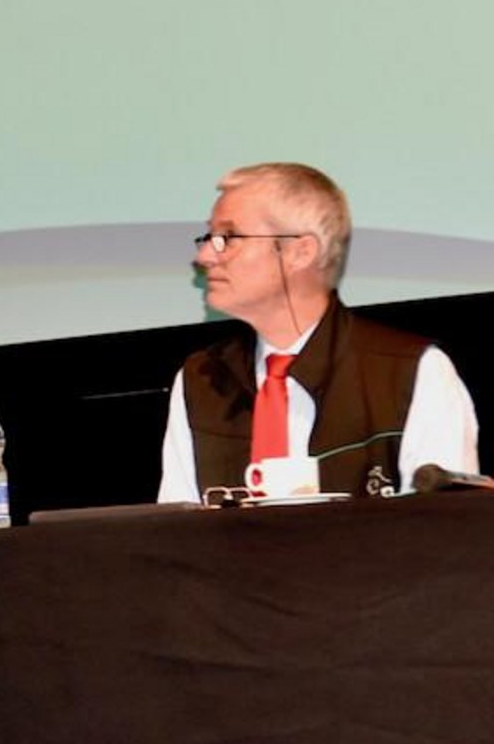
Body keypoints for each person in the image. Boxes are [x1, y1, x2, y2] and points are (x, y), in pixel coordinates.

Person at [158, 162, 479, 502]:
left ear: (301, 252)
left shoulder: (413, 373)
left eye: (228, 237)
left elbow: (444, 526)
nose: (205, 255)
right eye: (209, 238)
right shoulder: (202, 381)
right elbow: (177, 527)